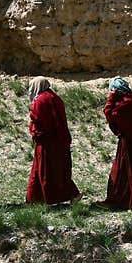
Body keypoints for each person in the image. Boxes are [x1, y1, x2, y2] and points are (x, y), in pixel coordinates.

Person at [95, 77, 132, 212]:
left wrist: (110, 99)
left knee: (123, 171)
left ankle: (125, 202)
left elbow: (110, 114)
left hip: (129, 142)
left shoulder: (126, 104)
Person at [25, 76, 82, 205]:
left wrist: (34, 133)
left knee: (46, 171)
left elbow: (39, 121)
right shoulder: (55, 97)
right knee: (59, 170)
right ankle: (36, 199)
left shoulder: (40, 101)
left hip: (46, 141)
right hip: (60, 140)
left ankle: (43, 199)